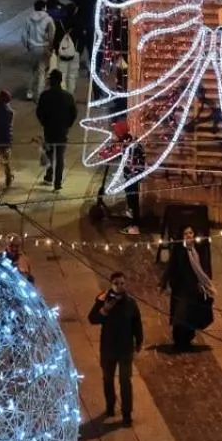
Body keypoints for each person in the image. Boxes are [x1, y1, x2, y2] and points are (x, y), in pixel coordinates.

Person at [88, 271, 142, 425]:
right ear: (111, 284)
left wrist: (139, 341)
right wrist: (104, 311)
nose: (119, 286)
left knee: (125, 381)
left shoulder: (131, 302)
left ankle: (126, 413)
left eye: (122, 283)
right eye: (116, 283)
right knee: (108, 379)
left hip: (125, 349)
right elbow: (92, 319)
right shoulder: (103, 299)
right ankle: (110, 406)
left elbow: (137, 323)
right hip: (108, 348)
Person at [159, 226, 214, 351]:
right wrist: (165, 283)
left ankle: (188, 340)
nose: (189, 235)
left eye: (191, 233)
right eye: (186, 233)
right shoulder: (179, 250)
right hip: (181, 289)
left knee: (191, 316)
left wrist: (204, 282)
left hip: (194, 289)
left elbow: (202, 267)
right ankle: (179, 341)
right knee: (181, 315)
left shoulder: (197, 249)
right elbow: (172, 267)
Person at [36, 69, 78, 191]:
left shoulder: (45, 95)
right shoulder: (68, 97)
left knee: (49, 153)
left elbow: (39, 112)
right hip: (62, 130)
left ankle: (49, 175)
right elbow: (73, 113)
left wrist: (44, 122)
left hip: (49, 129)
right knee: (60, 156)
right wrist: (67, 125)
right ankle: (58, 182)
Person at [24, 0, 57, 100]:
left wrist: (28, 45)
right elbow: (52, 34)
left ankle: (29, 92)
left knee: (33, 70)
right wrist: (51, 46)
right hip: (43, 47)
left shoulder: (28, 18)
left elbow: (24, 35)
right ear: (43, 7)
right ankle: (39, 94)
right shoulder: (48, 19)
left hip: (33, 48)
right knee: (42, 71)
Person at [120, 130, 146, 236]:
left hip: (131, 177)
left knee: (132, 200)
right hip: (133, 176)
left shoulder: (131, 147)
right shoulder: (136, 145)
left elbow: (131, 163)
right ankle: (134, 223)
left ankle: (134, 226)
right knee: (132, 200)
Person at [54, 26, 80, 95]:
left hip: (62, 55)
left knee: (61, 76)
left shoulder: (60, 23)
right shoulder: (78, 22)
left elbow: (56, 39)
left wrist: (57, 51)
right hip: (75, 53)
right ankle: (70, 96)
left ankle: (62, 95)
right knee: (72, 77)